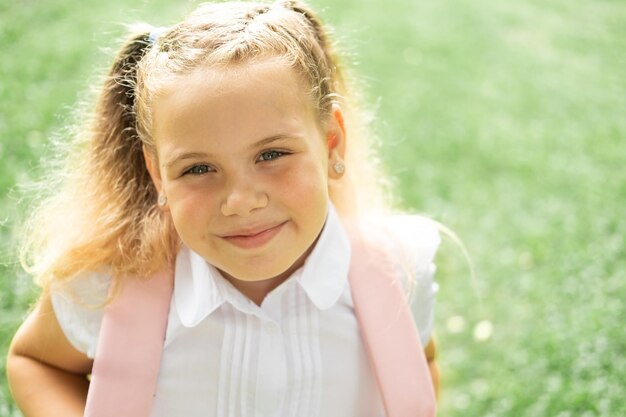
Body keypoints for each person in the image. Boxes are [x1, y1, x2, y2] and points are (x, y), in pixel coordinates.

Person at [7, 1, 441, 416]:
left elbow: (417, 371)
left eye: (271, 155)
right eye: (198, 168)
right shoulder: (108, 285)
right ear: (158, 175)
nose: (240, 201)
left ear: (332, 143)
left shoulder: (399, 272)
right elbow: (37, 362)